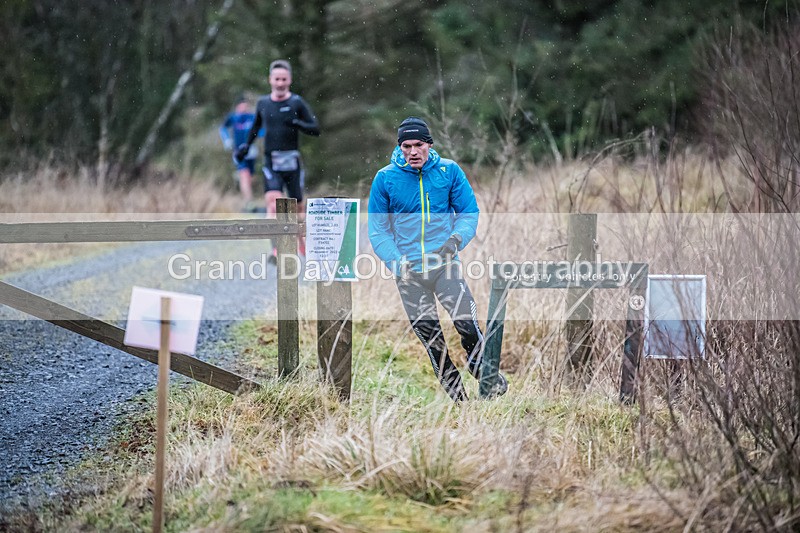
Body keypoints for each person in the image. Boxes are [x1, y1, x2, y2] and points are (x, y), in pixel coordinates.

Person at [368, 117, 508, 402]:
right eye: (406, 146)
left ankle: (480, 367)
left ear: (429, 145)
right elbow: (378, 230)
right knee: (434, 342)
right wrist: (398, 263)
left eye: (418, 144)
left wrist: (455, 240)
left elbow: (469, 213)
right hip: (409, 274)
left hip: (446, 266)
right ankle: (460, 402)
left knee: (467, 324)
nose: (413, 151)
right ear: (400, 148)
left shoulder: (449, 171)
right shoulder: (385, 178)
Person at [236, 59, 320, 260]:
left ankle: (302, 245)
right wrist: (246, 146)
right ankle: (276, 250)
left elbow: (315, 129)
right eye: (277, 79)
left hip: (292, 162)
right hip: (271, 162)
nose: (280, 83)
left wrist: (297, 123)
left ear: (289, 80)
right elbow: (255, 127)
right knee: (273, 204)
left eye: (284, 79)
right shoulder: (263, 103)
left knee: (298, 209)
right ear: (270, 80)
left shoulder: (296, 103)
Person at [220, 98, 259, 210]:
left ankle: (247, 196)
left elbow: (260, 129)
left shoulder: (251, 117)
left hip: (251, 151)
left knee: (250, 176)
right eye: (242, 106)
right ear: (237, 106)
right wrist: (226, 140)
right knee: (244, 174)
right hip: (238, 151)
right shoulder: (233, 117)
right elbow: (223, 128)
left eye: (246, 106)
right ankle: (249, 202)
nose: (244, 108)